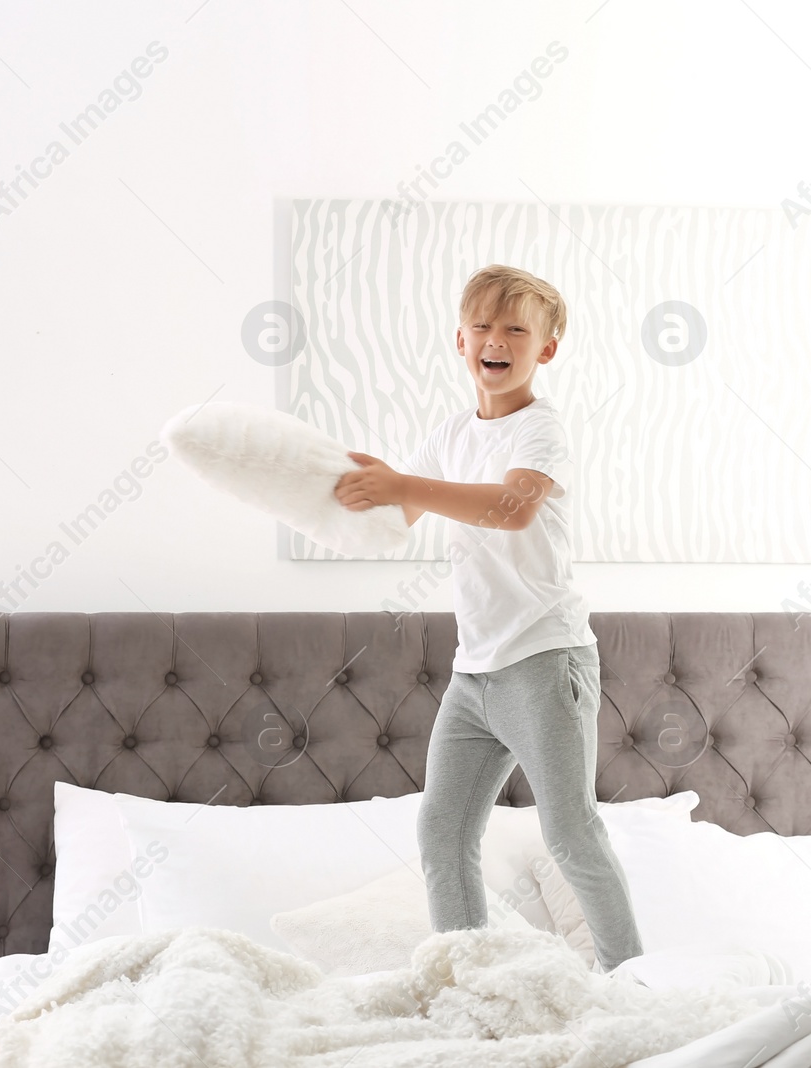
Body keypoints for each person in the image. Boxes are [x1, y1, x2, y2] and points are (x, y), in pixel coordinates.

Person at [332, 263, 643, 972]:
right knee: (442, 831)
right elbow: (402, 511)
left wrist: (405, 483)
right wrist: (339, 483)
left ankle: (632, 978)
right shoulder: (450, 433)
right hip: (474, 671)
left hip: (543, 660)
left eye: (515, 329)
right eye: (481, 325)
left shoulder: (542, 429)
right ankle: (468, 978)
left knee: (570, 831)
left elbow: (512, 508)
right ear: (460, 341)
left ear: (546, 351)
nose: (494, 339)